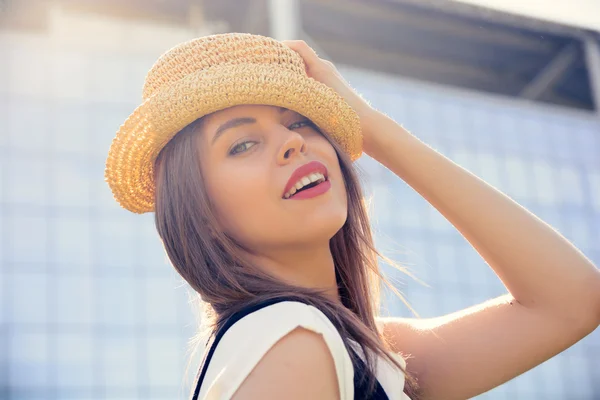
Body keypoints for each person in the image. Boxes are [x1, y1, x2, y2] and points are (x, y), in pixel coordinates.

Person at [104, 33, 600, 400]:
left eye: (300, 121)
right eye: (243, 143)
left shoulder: (364, 349)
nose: (294, 141)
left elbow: (571, 301)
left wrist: (374, 129)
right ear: (200, 213)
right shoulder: (289, 338)